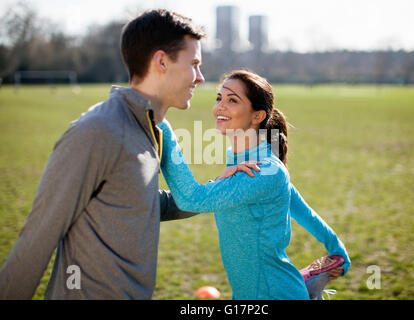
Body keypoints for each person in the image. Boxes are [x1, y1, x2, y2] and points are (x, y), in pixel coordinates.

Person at [0, 9, 214, 300]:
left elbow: (140, 202)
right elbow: (38, 236)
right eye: (195, 64)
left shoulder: (155, 128)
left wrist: (224, 191)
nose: (200, 77)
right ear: (162, 61)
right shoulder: (97, 131)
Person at [158, 70, 351, 299]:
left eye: (232, 100)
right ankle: (308, 288)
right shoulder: (243, 165)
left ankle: (305, 288)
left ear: (258, 115)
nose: (220, 107)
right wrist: (337, 249)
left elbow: (193, 199)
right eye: (219, 98)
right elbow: (304, 213)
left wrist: (162, 126)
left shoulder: (266, 170)